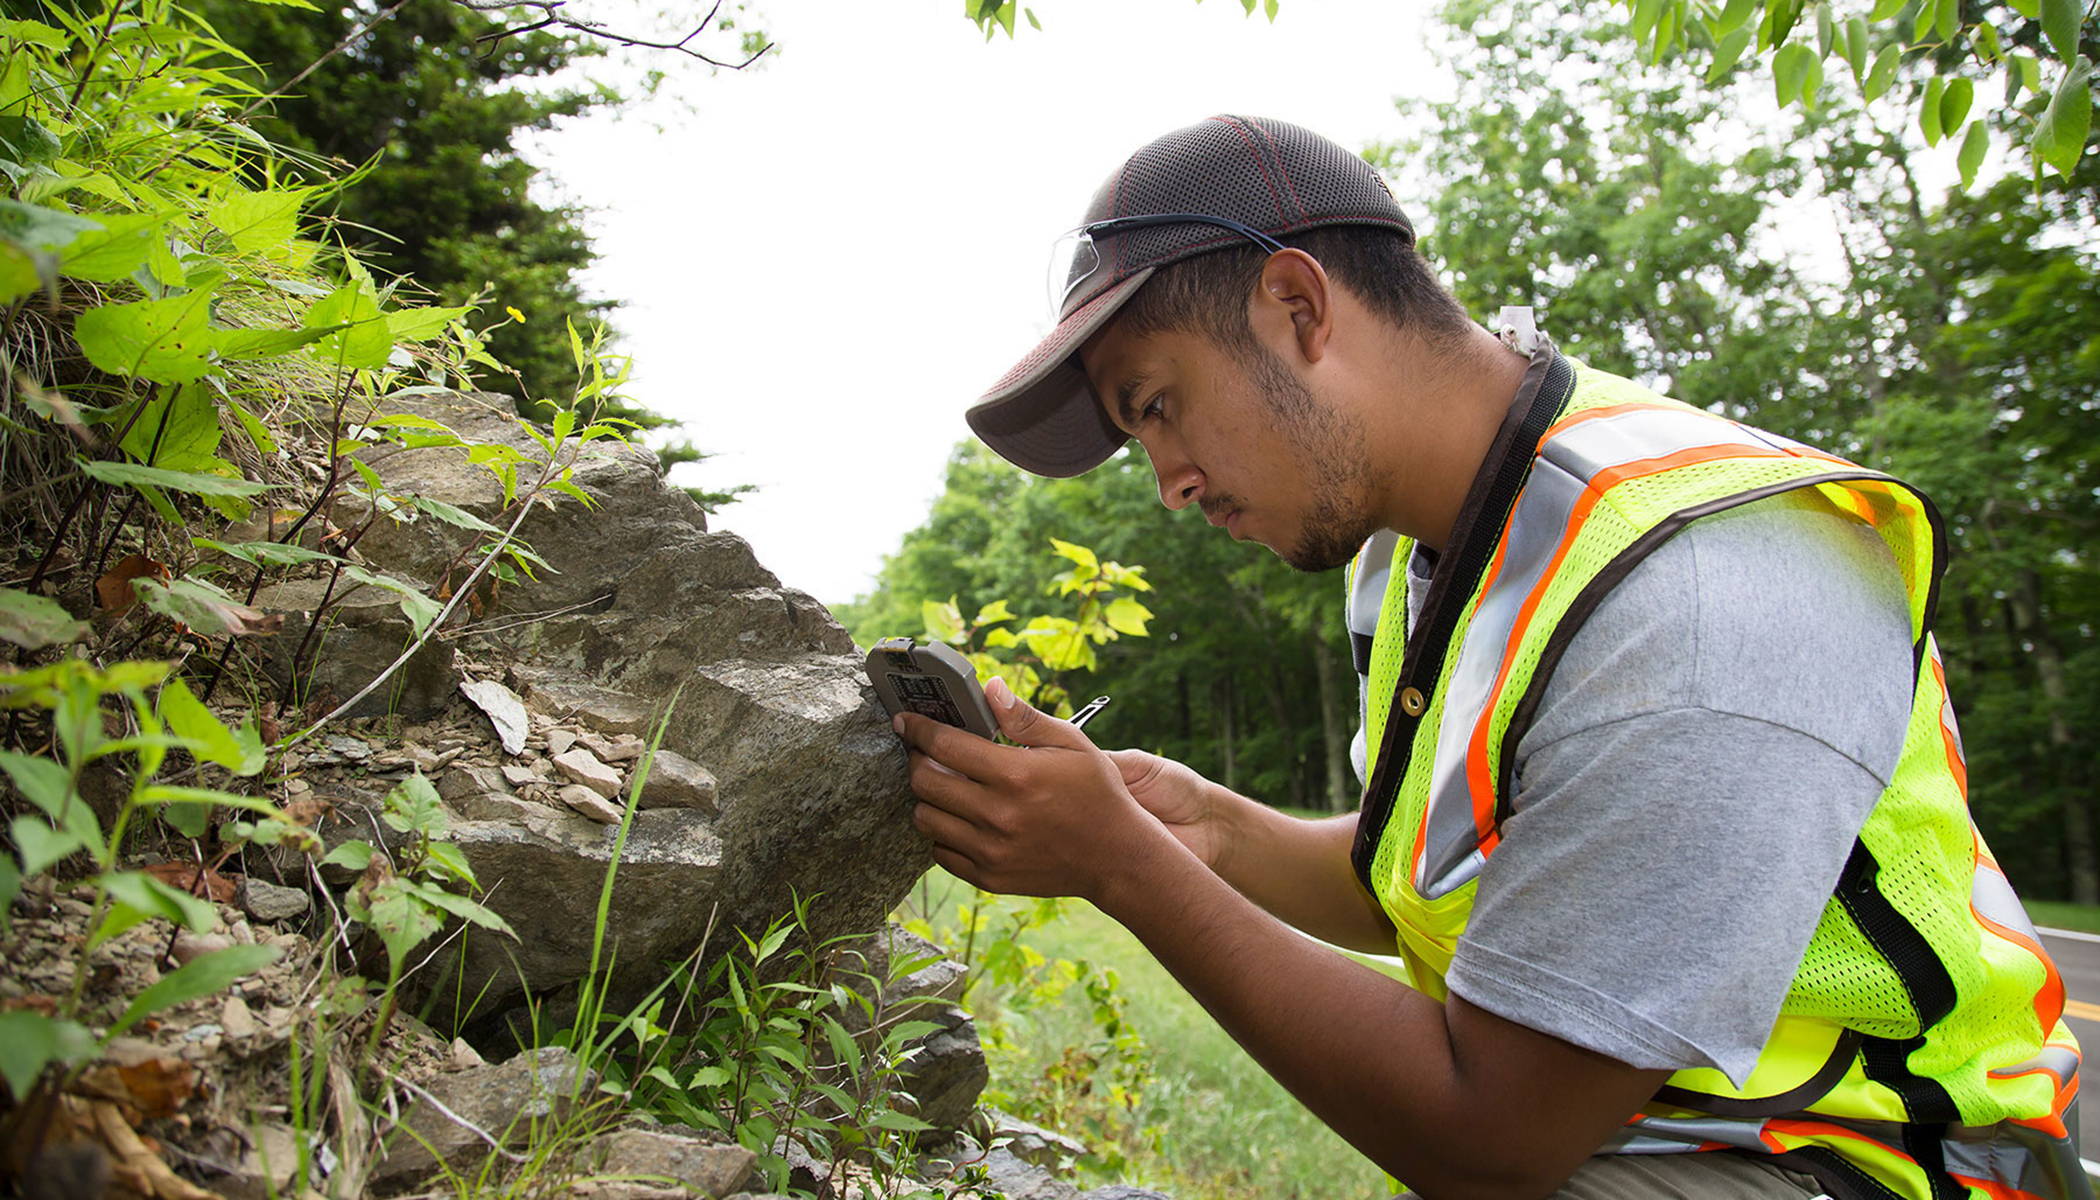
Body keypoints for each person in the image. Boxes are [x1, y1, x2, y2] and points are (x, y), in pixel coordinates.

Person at [894, 114, 2086, 1200]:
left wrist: (1123, 867)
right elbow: (1435, 891)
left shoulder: (1693, 593)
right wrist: (1191, 822)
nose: (1167, 486)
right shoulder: (1427, 552)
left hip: (1882, 1161)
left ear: (1298, 308)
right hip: (1677, 1137)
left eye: (1154, 406)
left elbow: (1494, 1139)